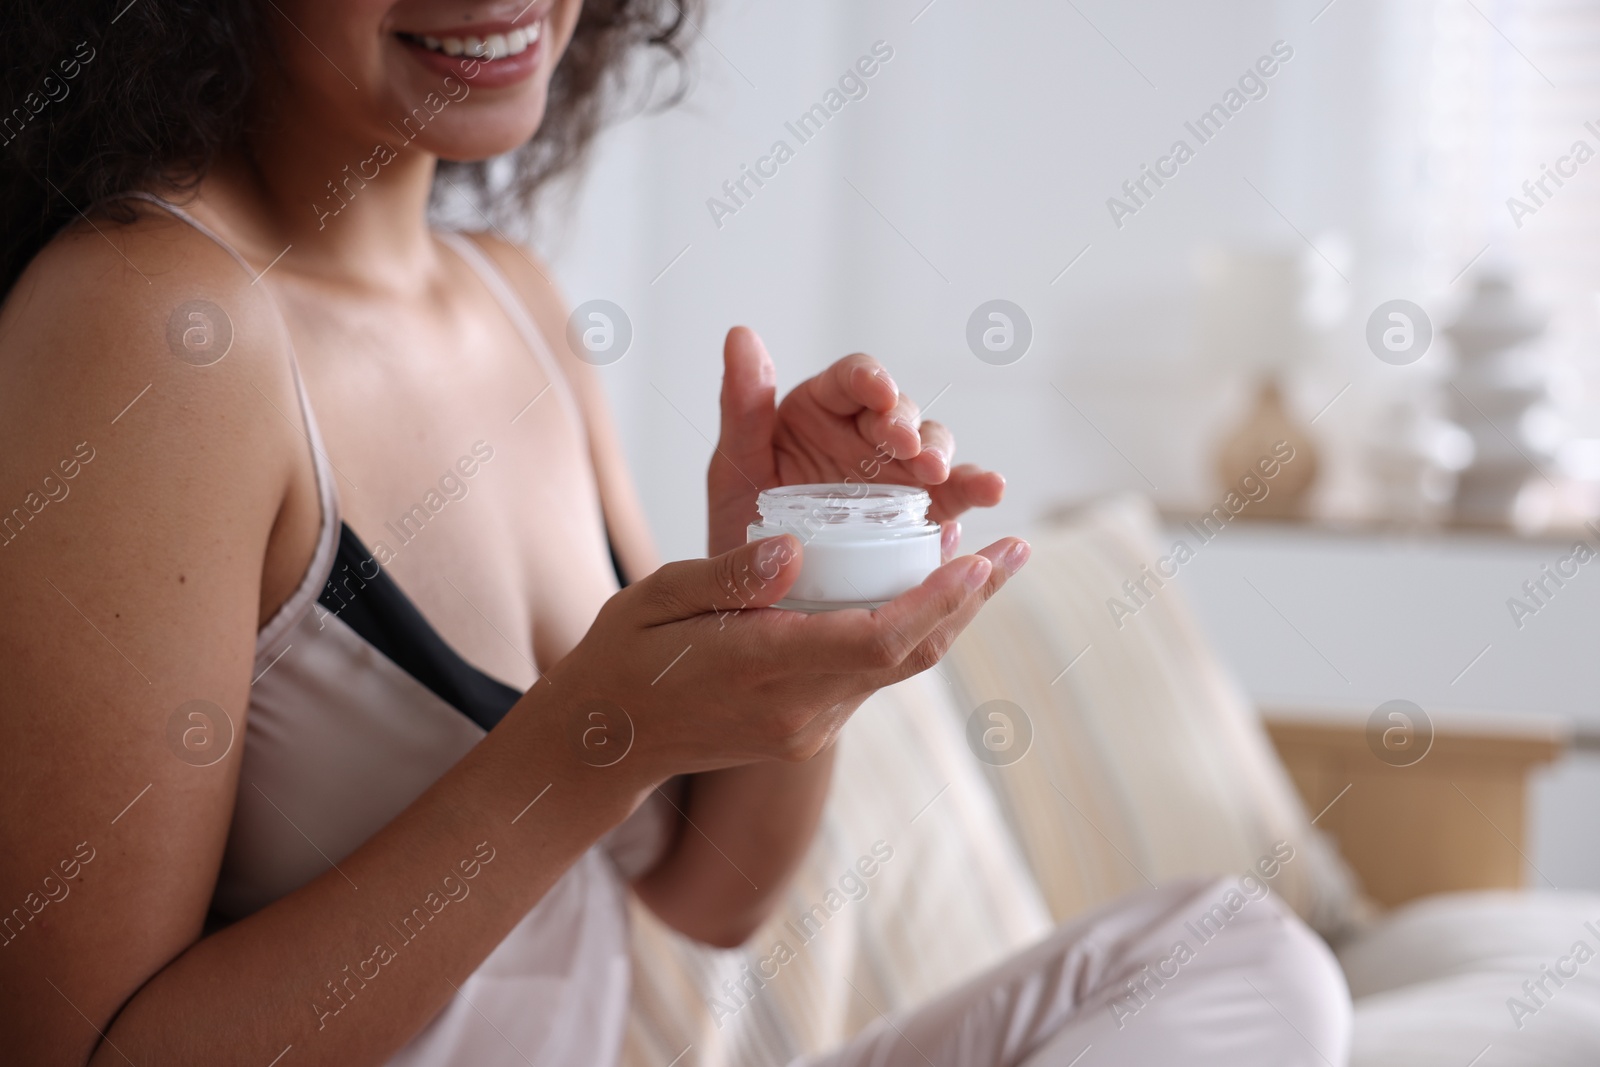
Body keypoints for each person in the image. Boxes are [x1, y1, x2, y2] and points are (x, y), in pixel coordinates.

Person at [0, 2, 1352, 1064]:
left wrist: (784, 595)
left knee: (1234, 957)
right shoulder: (154, 324)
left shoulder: (511, 298)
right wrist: (595, 738)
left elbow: (711, 894)